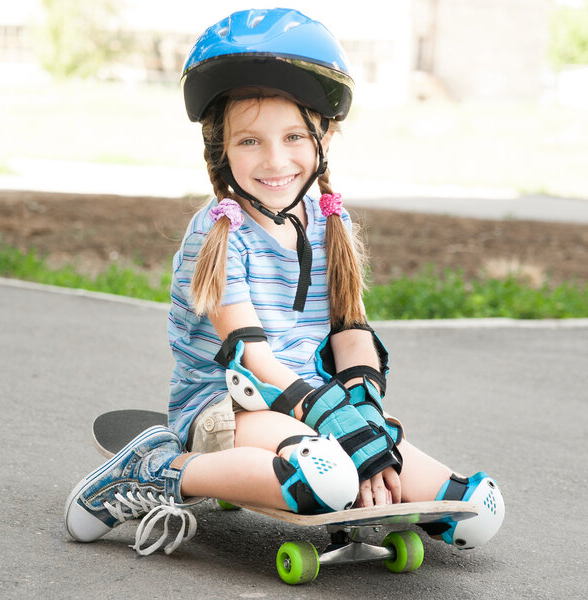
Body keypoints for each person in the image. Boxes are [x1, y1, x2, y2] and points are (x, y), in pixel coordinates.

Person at [65, 8, 504, 556]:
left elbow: (352, 331)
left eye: (293, 135)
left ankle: (337, 467)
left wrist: (363, 413)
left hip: (314, 406)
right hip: (229, 407)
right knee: (328, 477)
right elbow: (253, 364)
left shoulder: (327, 222)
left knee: (474, 510)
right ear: (219, 148)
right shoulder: (219, 234)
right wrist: (339, 426)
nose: (275, 160)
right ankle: (157, 469)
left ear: (322, 138)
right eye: (249, 141)